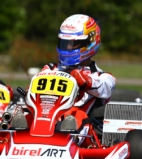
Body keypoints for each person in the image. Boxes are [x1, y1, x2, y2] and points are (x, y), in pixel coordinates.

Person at [40, 14, 116, 145]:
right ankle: (15, 133)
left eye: (74, 44)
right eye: (65, 43)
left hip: (77, 122)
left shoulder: (101, 76)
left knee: (76, 116)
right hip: (45, 115)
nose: (68, 48)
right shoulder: (50, 69)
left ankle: (67, 139)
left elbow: (105, 88)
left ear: (90, 43)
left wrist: (86, 80)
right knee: (22, 111)